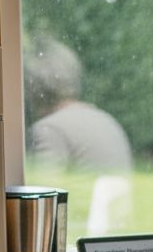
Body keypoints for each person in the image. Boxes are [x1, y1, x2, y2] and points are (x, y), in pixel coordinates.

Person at [24, 35, 134, 234]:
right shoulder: (106, 120)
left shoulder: (49, 130)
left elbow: (41, 210)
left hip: (75, 244)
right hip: (112, 243)